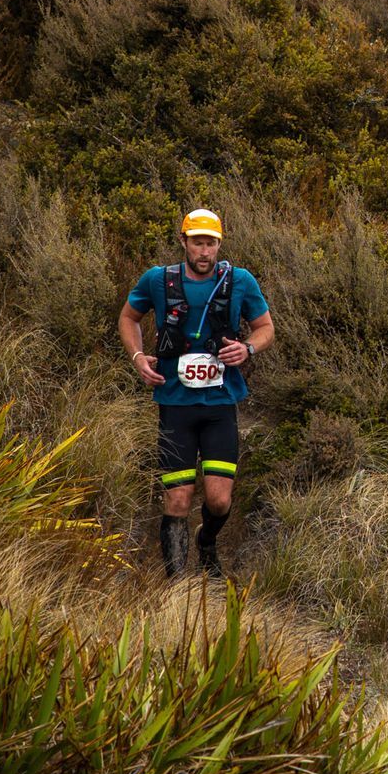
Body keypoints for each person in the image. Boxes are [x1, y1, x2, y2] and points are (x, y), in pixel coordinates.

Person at [118, 208, 274, 578]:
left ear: (219, 244)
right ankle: (176, 589)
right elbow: (128, 317)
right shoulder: (158, 280)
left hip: (221, 403)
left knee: (219, 500)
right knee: (177, 498)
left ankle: (207, 542)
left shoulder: (241, 281)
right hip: (175, 403)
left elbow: (265, 327)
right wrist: (138, 357)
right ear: (183, 242)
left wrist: (248, 348)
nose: (204, 251)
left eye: (211, 244)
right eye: (198, 243)